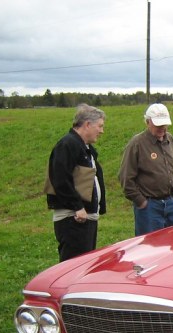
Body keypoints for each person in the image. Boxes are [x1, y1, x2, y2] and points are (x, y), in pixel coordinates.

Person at [45, 104, 106, 262]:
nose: (101, 131)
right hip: (73, 219)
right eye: (99, 126)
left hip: (85, 217)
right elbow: (59, 179)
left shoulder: (84, 147)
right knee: (73, 265)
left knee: (85, 264)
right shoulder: (67, 144)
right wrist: (77, 207)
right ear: (87, 124)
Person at [118, 103, 173, 236]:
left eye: (164, 124)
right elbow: (125, 176)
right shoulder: (137, 143)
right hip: (150, 207)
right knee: (150, 248)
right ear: (148, 122)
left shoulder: (171, 140)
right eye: (158, 124)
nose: (162, 128)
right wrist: (141, 202)